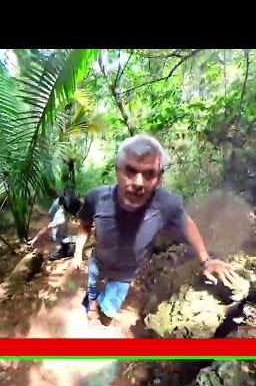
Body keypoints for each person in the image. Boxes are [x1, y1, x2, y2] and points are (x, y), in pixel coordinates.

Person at [71, 134, 240, 323]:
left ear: (159, 179)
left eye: (149, 174)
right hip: (99, 260)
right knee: (93, 285)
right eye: (130, 171)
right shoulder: (97, 197)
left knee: (110, 307)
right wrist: (78, 254)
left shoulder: (166, 204)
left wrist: (206, 260)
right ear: (117, 170)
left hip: (126, 272)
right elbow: (84, 225)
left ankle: (103, 310)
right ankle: (92, 303)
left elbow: (187, 223)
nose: (138, 183)